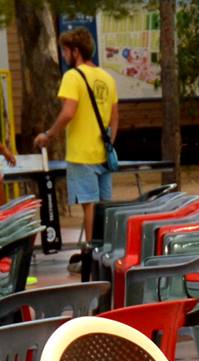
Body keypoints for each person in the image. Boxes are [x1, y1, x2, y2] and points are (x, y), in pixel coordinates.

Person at [33, 28, 118, 264]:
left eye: (65, 51)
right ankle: (105, 254)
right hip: (103, 154)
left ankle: (89, 257)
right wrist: (110, 143)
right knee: (103, 206)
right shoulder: (107, 77)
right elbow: (115, 117)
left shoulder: (72, 77)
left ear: (75, 51)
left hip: (81, 153)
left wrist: (48, 135)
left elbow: (68, 112)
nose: (63, 56)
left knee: (89, 206)